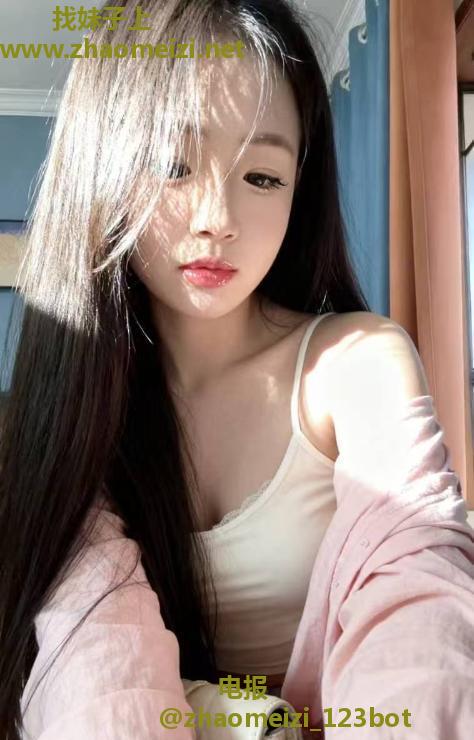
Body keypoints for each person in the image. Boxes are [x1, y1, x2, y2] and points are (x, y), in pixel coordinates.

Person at [1, 1, 473, 739]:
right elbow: (96, 664)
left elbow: (417, 594)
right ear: (100, 169)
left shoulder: (353, 363)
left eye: (262, 177)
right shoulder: (73, 410)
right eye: (173, 165)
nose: (217, 217)